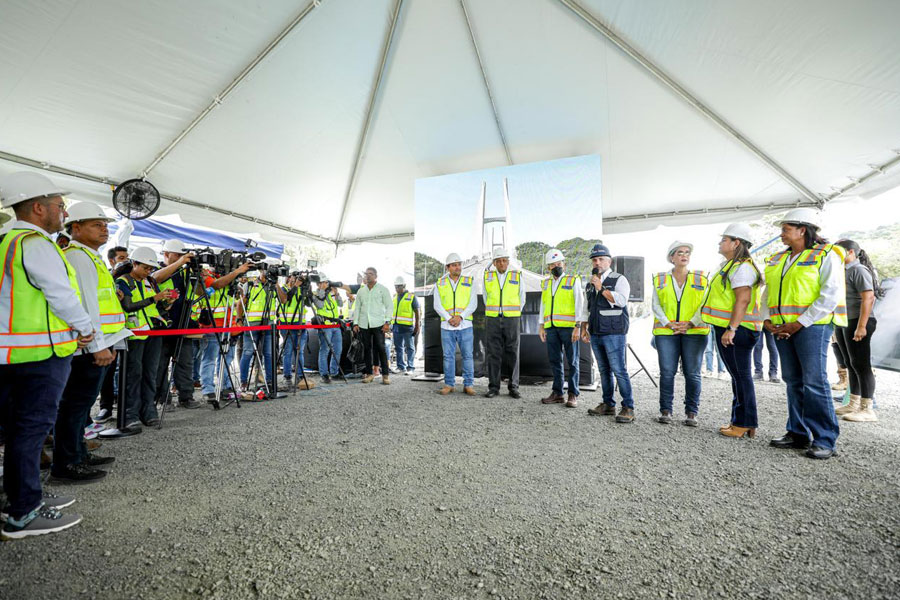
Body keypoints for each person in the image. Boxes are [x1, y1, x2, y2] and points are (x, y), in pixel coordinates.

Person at [0, 172, 93, 539]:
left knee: (17, 429)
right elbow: (60, 294)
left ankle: (20, 496)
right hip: (40, 354)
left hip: (12, 352)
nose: (63, 211)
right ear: (39, 208)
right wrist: (85, 327)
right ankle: (23, 512)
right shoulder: (37, 244)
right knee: (31, 429)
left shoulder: (7, 241)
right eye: (59, 205)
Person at [51, 202, 128, 483]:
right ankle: (67, 463)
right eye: (97, 224)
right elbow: (86, 305)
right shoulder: (79, 257)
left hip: (98, 341)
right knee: (75, 406)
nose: (104, 229)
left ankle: (78, 454)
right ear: (77, 228)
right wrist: (98, 347)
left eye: (105, 224)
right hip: (90, 345)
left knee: (81, 406)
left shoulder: (88, 256)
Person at [762, 208, 846, 459]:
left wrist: (799, 323)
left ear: (803, 230)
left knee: (814, 381)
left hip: (813, 326)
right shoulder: (778, 259)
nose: (781, 235)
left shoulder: (827, 255)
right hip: (781, 327)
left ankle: (825, 439)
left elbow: (830, 294)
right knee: (793, 380)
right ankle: (797, 433)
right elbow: (768, 292)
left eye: (786, 229)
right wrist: (766, 319)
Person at [701, 223, 762, 439]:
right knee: (738, 376)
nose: (720, 243)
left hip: (739, 329)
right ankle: (741, 421)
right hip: (732, 328)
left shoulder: (742, 267)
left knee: (741, 375)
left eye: (724, 239)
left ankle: (745, 422)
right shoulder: (730, 266)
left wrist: (732, 328)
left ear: (736, 243)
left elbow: (743, 299)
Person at [117, 246, 176, 431]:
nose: (148, 272)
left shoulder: (150, 281)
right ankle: (130, 414)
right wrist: (155, 298)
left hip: (153, 332)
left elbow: (155, 309)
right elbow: (128, 306)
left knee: (151, 373)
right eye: (145, 268)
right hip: (134, 335)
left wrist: (166, 303)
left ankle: (149, 411)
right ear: (134, 264)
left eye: (151, 269)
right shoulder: (123, 281)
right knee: (133, 375)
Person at [650, 241, 709, 426]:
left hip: (695, 331)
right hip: (666, 332)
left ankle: (691, 412)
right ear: (671, 258)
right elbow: (655, 304)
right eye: (680, 252)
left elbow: (705, 303)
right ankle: (665, 410)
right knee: (667, 372)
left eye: (687, 252)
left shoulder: (701, 278)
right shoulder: (660, 279)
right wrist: (669, 324)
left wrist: (691, 322)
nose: (684, 255)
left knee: (692, 373)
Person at [581, 244, 633, 419]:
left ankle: (628, 407)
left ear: (609, 261)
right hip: (596, 332)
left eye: (601, 259)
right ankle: (608, 404)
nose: (597, 263)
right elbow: (586, 308)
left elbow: (621, 301)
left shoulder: (619, 279)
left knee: (619, 370)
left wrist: (601, 288)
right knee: (603, 370)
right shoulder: (590, 283)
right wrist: (583, 327)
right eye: (594, 260)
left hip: (614, 332)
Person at [833, 239, 880, 423]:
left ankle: (867, 408)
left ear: (850, 252)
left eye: (838, 252)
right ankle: (853, 403)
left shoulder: (858, 270)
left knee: (861, 364)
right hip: (846, 320)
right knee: (849, 362)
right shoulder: (843, 271)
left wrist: (861, 326)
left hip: (859, 321)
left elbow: (868, 298)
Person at [153, 239, 202, 410]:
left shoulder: (184, 272)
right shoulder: (155, 267)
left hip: (183, 324)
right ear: (166, 254)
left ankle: (186, 396)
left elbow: (200, 292)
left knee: (185, 362)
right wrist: (181, 262)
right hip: (162, 326)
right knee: (160, 365)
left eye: (184, 255)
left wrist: (198, 274)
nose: (183, 258)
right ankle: (162, 398)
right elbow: (155, 279)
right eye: (179, 255)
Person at [197, 261, 250, 403]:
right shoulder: (207, 277)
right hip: (211, 325)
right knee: (209, 358)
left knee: (227, 357)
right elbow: (217, 284)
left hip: (228, 325)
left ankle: (226, 386)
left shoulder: (231, 280)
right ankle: (208, 389)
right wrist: (237, 272)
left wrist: (238, 285)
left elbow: (239, 296)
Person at [539, 248, 585, 409]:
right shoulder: (546, 283)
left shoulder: (573, 281)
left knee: (572, 361)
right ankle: (558, 393)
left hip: (569, 328)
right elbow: (543, 305)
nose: (556, 266)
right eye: (552, 265)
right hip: (551, 328)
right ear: (548, 268)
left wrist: (577, 326)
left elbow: (580, 304)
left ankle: (573, 394)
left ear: (564, 265)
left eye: (559, 263)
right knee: (555, 361)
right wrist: (541, 326)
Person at [482, 248, 525, 399]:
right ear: (494, 263)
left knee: (513, 352)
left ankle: (513, 387)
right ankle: (493, 387)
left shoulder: (517, 275)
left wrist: (514, 314)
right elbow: (485, 297)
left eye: (504, 260)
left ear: (508, 262)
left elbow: (522, 297)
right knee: (493, 353)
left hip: (512, 319)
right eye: (498, 261)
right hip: (493, 318)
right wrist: (495, 312)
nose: (501, 263)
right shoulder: (487, 276)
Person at [432, 254, 477, 395]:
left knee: (468, 356)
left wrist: (460, 317)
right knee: (448, 356)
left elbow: (473, 303)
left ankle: (468, 384)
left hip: (465, 325)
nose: (458, 267)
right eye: (454, 264)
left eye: (459, 264)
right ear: (448, 267)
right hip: (447, 326)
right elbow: (437, 305)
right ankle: (449, 384)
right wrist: (449, 318)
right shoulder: (440, 283)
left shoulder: (470, 281)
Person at [239, 268, 285, 391]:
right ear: (261, 271)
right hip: (251, 324)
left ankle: (270, 381)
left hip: (269, 324)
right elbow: (240, 303)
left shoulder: (273, 286)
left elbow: (283, 300)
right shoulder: (249, 285)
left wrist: (276, 284)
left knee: (269, 354)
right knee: (248, 352)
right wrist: (239, 320)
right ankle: (243, 382)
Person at [352, 267, 393, 385]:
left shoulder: (382, 289)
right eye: (366, 274)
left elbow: (389, 306)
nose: (368, 276)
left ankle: (385, 375)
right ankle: (369, 374)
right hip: (364, 324)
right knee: (366, 349)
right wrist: (356, 322)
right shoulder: (361, 291)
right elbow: (357, 308)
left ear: (376, 276)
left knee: (381, 348)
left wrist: (387, 322)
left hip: (379, 323)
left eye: (370, 274)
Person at [312, 274, 344, 383]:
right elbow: (319, 305)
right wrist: (322, 290)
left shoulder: (330, 294)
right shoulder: (316, 294)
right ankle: (324, 374)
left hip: (335, 325)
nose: (327, 284)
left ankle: (334, 372)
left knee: (338, 350)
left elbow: (340, 304)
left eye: (327, 282)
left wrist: (336, 293)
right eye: (324, 282)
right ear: (319, 283)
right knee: (325, 350)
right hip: (325, 326)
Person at [278, 274, 308, 386]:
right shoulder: (283, 289)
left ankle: (300, 376)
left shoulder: (302, 290)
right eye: (293, 277)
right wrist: (295, 286)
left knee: (299, 351)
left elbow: (309, 303)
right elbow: (286, 299)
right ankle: (287, 376)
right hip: (287, 325)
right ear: (289, 278)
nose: (295, 279)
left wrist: (307, 287)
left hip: (301, 325)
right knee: (288, 351)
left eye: (297, 278)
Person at [391, 277, 420, 376]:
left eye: (398, 286)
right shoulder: (394, 297)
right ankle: (400, 366)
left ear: (404, 286)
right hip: (396, 326)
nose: (397, 288)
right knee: (398, 347)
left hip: (407, 327)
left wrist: (417, 326)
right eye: (395, 286)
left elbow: (417, 312)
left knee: (410, 347)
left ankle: (410, 367)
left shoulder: (411, 296)